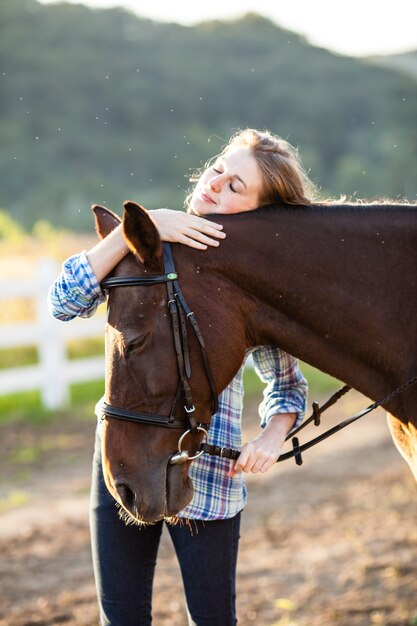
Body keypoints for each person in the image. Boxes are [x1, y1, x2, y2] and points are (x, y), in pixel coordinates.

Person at [48, 128, 312, 626]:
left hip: (209, 475)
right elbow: (63, 302)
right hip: (125, 455)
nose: (216, 184)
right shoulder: (147, 249)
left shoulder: (253, 282)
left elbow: (285, 384)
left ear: (260, 211)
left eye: (237, 186)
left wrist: (273, 436)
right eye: (218, 169)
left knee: (212, 620)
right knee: (121, 619)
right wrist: (146, 228)